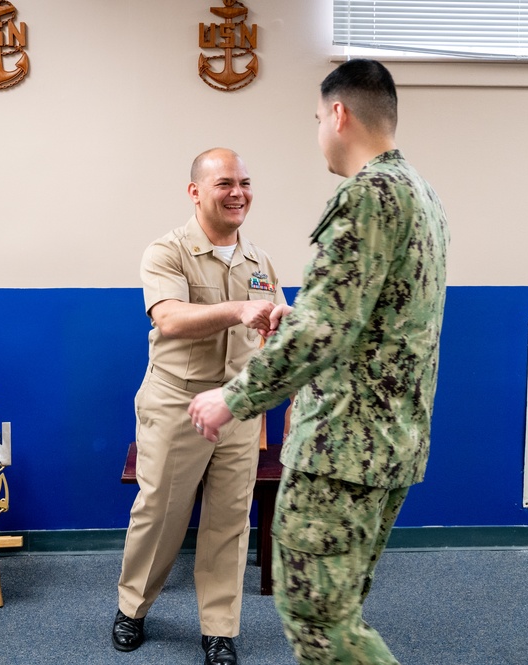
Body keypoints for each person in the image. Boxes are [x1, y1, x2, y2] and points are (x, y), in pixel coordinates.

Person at [188, 59, 449, 664]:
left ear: (339, 114)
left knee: (321, 626)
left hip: (342, 448)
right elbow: (372, 316)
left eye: (316, 119)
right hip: (390, 443)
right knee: (342, 610)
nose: (318, 133)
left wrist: (233, 397)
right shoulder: (419, 192)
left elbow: (328, 328)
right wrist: (299, 319)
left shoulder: (366, 194)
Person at [114, 148, 287, 665]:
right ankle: (133, 608)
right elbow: (168, 318)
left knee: (230, 521)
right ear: (196, 191)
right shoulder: (166, 251)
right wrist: (239, 309)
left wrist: (283, 325)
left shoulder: (259, 260)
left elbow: (271, 325)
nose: (239, 193)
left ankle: (219, 629)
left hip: (237, 406)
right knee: (160, 512)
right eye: (225, 183)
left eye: (246, 183)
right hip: (176, 402)